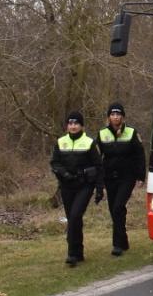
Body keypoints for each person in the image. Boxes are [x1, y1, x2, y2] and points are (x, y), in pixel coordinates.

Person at [50, 111, 103, 267]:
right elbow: (54, 163)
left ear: (82, 126)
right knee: (74, 220)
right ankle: (78, 252)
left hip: (84, 185)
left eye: (76, 123)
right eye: (70, 123)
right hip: (67, 186)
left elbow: (99, 166)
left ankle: (72, 254)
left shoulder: (89, 142)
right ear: (67, 126)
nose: (73, 126)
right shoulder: (60, 142)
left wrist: (99, 188)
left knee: (74, 216)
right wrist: (64, 173)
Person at [97, 102, 146, 256]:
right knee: (114, 210)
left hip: (127, 176)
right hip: (109, 177)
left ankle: (117, 245)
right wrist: (98, 180)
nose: (115, 117)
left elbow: (140, 155)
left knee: (118, 207)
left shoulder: (131, 133)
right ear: (109, 117)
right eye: (112, 114)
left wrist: (140, 176)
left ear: (123, 117)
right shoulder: (102, 134)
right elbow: (97, 158)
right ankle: (123, 240)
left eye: (118, 114)